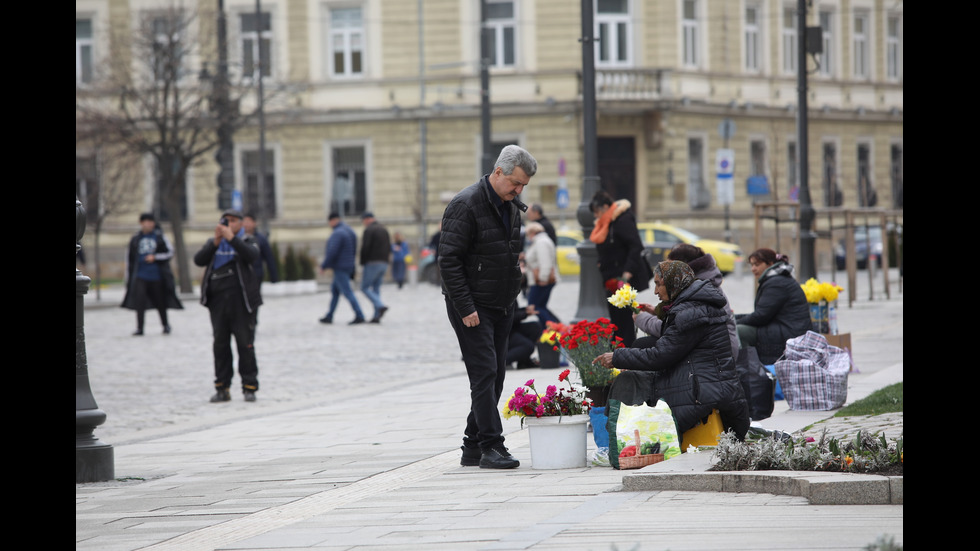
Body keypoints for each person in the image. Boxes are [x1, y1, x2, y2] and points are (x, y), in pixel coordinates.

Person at [439, 144, 537, 469]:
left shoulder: (510, 206)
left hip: (502, 304)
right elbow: (449, 261)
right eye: (516, 183)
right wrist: (466, 307)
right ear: (498, 172)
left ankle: (472, 445)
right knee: (484, 375)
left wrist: (514, 293)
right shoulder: (465, 204)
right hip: (472, 306)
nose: (519, 190)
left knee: (495, 377)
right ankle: (492, 446)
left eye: (523, 185)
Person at [593, 260, 749, 441]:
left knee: (628, 381)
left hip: (702, 391)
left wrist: (617, 357)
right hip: (700, 381)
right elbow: (674, 342)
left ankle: (621, 440)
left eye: (659, 284)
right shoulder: (694, 304)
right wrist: (659, 312)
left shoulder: (691, 311)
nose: (655, 291)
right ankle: (621, 438)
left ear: (675, 282)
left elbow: (660, 355)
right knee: (631, 376)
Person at [193, 209, 262, 403]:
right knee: (220, 346)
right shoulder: (215, 243)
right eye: (226, 221)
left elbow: (252, 256)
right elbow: (199, 260)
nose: (228, 224)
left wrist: (232, 239)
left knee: (245, 345)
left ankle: (249, 387)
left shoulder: (248, 240)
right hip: (218, 302)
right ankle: (222, 388)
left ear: (240, 223)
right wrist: (215, 242)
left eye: (233, 221)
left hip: (242, 302)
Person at [633, 243, 738, 358]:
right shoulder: (700, 284)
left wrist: (642, 319)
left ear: (681, 268)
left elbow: (673, 329)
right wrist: (656, 312)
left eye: (669, 268)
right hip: (716, 349)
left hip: (717, 357)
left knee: (643, 345)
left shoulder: (697, 290)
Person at [589, 190, 650, 347]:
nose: (596, 216)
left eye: (597, 212)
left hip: (621, 278)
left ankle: (625, 351)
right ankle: (619, 351)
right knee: (617, 318)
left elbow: (635, 246)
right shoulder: (607, 222)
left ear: (604, 206)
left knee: (622, 319)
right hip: (611, 275)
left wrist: (626, 274)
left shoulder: (622, 220)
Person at [735, 248, 812, 365]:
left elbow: (761, 316)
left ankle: (749, 368)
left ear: (770, 264)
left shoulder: (776, 282)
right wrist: (735, 318)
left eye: (757, 264)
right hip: (783, 327)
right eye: (751, 265)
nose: (753, 269)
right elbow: (763, 313)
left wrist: (735, 322)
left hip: (789, 332)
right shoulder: (776, 279)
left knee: (740, 331)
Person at [121, 213, 183, 336]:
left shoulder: (160, 237)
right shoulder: (136, 239)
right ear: (141, 223)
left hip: (157, 276)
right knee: (140, 302)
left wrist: (155, 257)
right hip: (140, 275)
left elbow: (170, 252)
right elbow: (130, 259)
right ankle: (140, 328)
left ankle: (165, 325)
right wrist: (128, 278)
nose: (148, 224)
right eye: (145, 221)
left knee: (160, 301)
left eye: (150, 221)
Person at [319, 212, 367, 325]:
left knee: (347, 292)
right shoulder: (349, 230)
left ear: (333, 220)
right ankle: (329, 315)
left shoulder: (338, 233)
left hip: (340, 267)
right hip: (348, 265)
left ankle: (359, 315)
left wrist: (324, 265)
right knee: (335, 292)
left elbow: (332, 251)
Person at [523, 221, 560, 328]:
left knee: (534, 307)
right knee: (540, 306)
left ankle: (553, 329)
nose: (527, 237)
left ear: (532, 232)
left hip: (540, 280)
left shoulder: (541, 242)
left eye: (527, 234)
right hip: (540, 279)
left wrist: (543, 279)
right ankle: (557, 327)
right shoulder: (541, 241)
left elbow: (545, 262)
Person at [359, 212, 391, 322]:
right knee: (376, 289)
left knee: (364, 287)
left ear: (367, 219)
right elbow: (389, 247)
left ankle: (380, 305)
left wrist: (362, 262)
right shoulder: (384, 229)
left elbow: (365, 248)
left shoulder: (369, 230)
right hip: (384, 262)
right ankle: (377, 316)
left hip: (372, 262)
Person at [242, 212, 280, 286]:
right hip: (242, 273)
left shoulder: (261, 239)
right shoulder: (238, 239)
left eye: (248, 222)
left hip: (256, 273)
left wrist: (274, 276)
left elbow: (269, 258)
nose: (246, 224)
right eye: (244, 222)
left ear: (254, 223)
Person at [507, 303, 542, 369]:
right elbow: (507, 316)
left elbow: (513, 311)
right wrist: (525, 313)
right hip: (504, 332)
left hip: (513, 327)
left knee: (535, 327)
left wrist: (525, 309)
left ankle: (523, 362)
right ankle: (502, 362)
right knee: (528, 346)